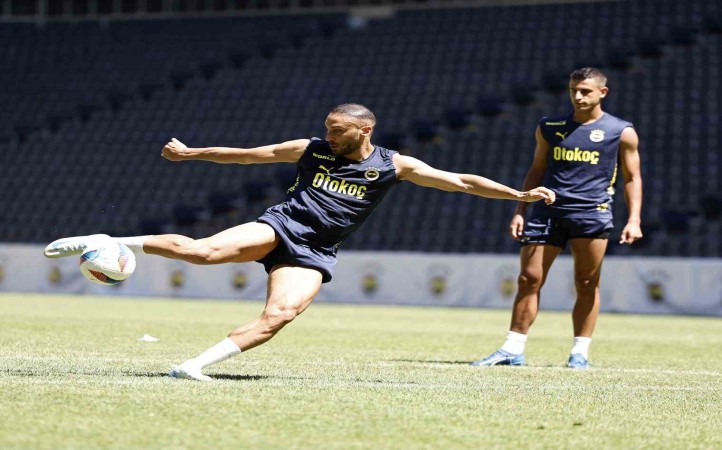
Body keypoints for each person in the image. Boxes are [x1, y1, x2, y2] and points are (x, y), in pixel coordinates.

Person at [45, 103, 555, 381]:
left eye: (338, 132)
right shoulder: (309, 149)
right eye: (328, 130)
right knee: (203, 252)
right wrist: (189, 153)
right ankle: (111, 239)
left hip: (316, 251)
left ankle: (191, 367)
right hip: (281, 226)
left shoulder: (393, 166)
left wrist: (517, 193)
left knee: (280, 317)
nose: (329, 137)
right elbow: (247, 155)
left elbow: (461, 180)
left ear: (364, 130)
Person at [470, 68, 643, 369]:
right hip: (547, 210)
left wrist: (634, 219)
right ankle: (512, 349)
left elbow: (632, 177)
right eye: (574, 89)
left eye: (586, 91)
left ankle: (580, 353)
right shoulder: (549, 126)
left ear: (603, 92)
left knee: (587, 282)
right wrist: (520, 209)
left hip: (592, 213)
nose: (578, 96)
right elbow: (536, 170)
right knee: (529, 279)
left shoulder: (621, 131)